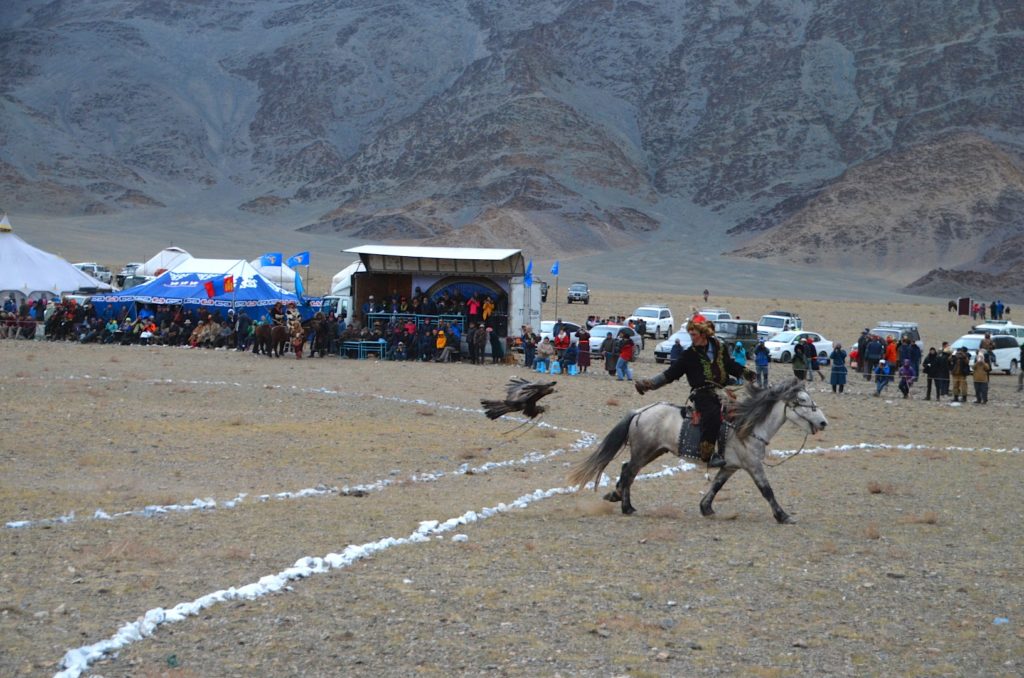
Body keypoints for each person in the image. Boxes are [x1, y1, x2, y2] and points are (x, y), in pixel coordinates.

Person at [634, 318, 753, 468]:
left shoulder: (720, 348)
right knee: (713, 415)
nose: (691, 337)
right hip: (702, 394)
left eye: (694, 334)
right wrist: (649, 384)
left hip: (722, 392)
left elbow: (730, 365)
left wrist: (749, 374)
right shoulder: (689, 355)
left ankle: (736, 450)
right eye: (690, 334)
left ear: (704, 334)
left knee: (742, 413)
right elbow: (670, 374)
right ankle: (707, 454)